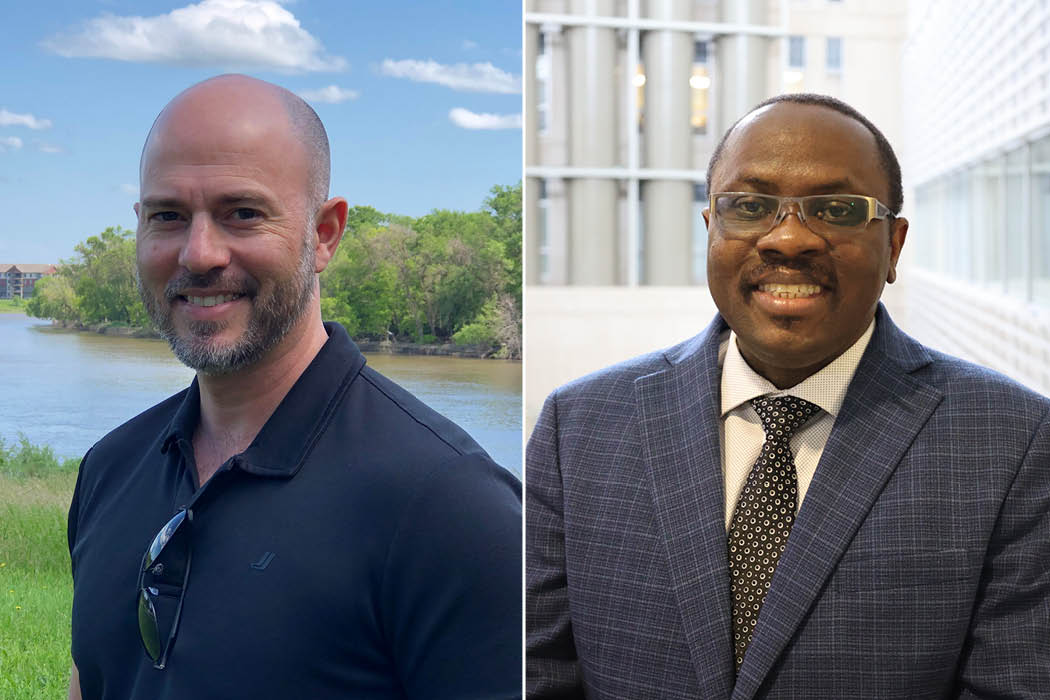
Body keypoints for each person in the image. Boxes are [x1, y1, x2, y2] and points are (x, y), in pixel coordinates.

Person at [526, 94, 1050, 698]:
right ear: (712, 230)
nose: (789, 239)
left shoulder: (1014, 441)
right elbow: (540, 672)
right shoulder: (579, 427)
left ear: (895, 247)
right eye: (749, 206)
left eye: (836, 209)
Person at [67, 75, 521, 700]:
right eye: (168, 216)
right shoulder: (110, 470)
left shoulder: (451, 508)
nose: (199, 254)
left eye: (243, 214)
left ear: (325, 234)